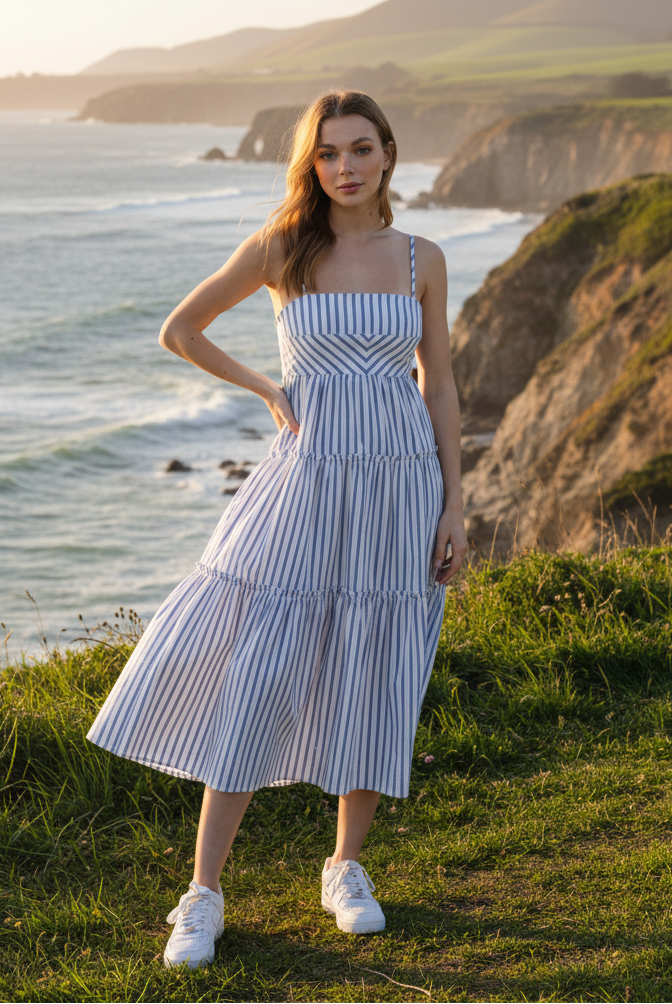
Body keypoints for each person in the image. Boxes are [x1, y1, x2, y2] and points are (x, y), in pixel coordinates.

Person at [86, 89, 467, 969]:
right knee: (260, 667)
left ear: (388, 155)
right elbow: (181, 330)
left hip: (402, 486)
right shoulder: (283, 248)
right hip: (303, 484)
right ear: (312, 164)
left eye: (360, 149)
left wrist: (455, 501)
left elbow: (439, 384)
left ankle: (345, 866)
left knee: (380, 664)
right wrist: (266, 388)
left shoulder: (422, 259)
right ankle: (204, 891)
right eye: (329, 153)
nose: (346, 166)